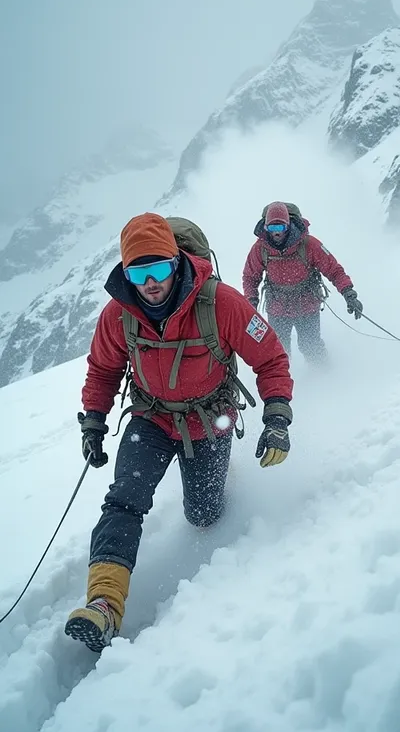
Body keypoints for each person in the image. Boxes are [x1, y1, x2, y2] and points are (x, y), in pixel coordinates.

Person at [65, 212, 293, 652]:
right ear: (126, 274)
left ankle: (217, 490)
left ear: (177, 263)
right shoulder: (119, 315)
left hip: (211, 420)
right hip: (149, 419)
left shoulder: (221, 303)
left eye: (159, 269)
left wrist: (277, 416)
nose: (150, 283)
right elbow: (103, 369)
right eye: (138, 272)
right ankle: (104, 604)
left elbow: (270, 357)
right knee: (123, 500)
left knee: (203, 514)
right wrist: (94, 420)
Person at [242, 201, 363, 363]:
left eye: (281, 228)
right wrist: (251, 301)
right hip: (278, 309)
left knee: (311, 346)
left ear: (288, 225)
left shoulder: (309, 244)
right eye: (272, 228)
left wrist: (348, 293)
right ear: (265, 228)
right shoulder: (260, 249)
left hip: (307, 306)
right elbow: (250, 277)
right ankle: (282, 384)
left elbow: (334, 270)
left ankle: (324, 377)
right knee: (278, 351)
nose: (276, 233)